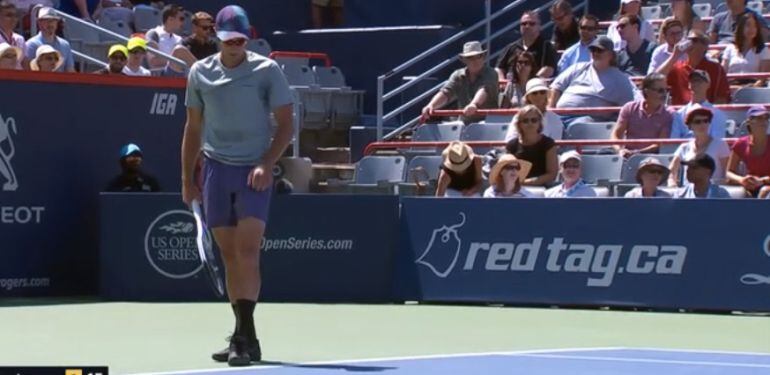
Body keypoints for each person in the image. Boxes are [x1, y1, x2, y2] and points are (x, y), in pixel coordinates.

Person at [181, 5, 295, 366]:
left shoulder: (267, 70)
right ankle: (247, 336)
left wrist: (266, 163)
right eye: (229, 39)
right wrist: (187, 179)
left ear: (248, 38)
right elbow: (193, 129)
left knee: (247, 253)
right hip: (214, 169)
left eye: (241, 40)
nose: (235, 45)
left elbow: (287, 124)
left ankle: (241, 340)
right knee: (229, 256)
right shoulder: (199, 73)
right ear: (218, 37)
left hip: (253, 172)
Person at [549, 36, 636, 123]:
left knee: (581, 124)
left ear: (611, 55)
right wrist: (551, 113)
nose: (595, 53)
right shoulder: (578, 67)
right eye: (593, 50)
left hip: (588, 122)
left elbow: (628, 109)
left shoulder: (620, 80)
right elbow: (556, 87)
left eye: (599, 50)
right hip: (558, 117)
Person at [421, 41, 498, 124]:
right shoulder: (457, 75)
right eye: (470, 57)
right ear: (464, 60)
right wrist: (431, 105)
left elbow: (484, 89)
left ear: (483, 57)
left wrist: (474, 105)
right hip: (464, 123)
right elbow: (446, 92)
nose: (475, 60)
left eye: (478, 56)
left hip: (489, 123)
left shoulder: (491, 73)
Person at [656, 30, 730, 105]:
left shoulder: (716, 68)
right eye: (688, 40)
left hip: (705, 113)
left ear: (704, 46)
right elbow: (655, 80)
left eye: (694, 40)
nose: (690, 43)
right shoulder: (677, 68)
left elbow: (722, 98)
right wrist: (674, 56)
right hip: (681, 113)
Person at [612, 73, 673, 158]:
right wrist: (620, 150)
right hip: (626, 157)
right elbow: (616, 135)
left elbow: (660, 144)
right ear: (647, 91)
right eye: (660, 91)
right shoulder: (629, 108)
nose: (664, 94)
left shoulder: (669, 114)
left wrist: (636, 153)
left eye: (667, 90)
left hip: (653, 159)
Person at [668, 105, 730, 187]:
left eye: (706, 121)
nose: (703, 124)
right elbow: (671, 171)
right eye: (698, 121)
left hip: (713, 193)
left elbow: (727, 173)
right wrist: (672, 183)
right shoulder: (684, 147)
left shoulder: (721, 144)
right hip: (688, 194)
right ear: (690, 126)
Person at [504, 104, 558, 186]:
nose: (530, 123)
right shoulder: (512, 145)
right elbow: (507, 171)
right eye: (525, 121)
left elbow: (552, 174)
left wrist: (527, 183)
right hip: (516, 188)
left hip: (542, 189)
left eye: (534, 120)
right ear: (519, 124)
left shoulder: (549, 144)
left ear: (540, 122)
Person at [496, 10, 558, 79]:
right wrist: (502, 82)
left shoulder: (547, 47)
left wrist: (531, 82)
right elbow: (499, 68)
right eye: (524, 24)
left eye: (532, 24)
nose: (527, 26)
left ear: (539, 26)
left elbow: (549, 69)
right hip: (511, 87)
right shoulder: (511, 47)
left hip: (535, 87)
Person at [726, 105, 770, 197]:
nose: (763, 121)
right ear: (749, 122)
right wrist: (741, 180)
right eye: (758, 118)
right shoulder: (740, 144)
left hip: (766, 187)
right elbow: (729, 172)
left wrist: (762, 181)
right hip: (750, 187)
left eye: (766, 118)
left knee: (765, 191)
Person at [670, 70, 728, 139]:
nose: (695, 83)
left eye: (699, 81)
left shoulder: (717, 114)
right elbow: (674, 140)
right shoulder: (679, 114)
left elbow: (717, 142)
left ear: (708, 84)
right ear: (689, 85)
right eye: (693, 81)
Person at [721, 11, 770, 86]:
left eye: (755, 26)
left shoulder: (763, 49)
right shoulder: (730, 48)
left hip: (752, 88)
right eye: (748, 25)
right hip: (731, 85)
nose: (752, 29)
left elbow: (762, 79)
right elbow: (723, 73)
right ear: (741, 27)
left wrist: (750, 89)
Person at [24, 7, 75, 72]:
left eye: (53, 20)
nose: (50, 24)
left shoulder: (65, 45)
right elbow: (28, 71)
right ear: (39, 23)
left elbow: (70, 70)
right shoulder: (31, 44)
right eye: (47, 20)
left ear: (56, 23)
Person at [0, 1, 25, 69]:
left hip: (17, 78)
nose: (13, 19)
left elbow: (22, 64)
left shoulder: (20, 39)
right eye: (9, 15)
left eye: (16, 16)